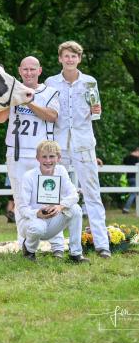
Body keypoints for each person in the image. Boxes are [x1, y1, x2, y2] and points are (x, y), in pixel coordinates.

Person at [45, 41, 111, 258]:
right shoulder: (51, 82)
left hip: (83, 144)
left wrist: (96, 110)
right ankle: (57, 246)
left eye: (74, 56)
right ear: (60, 58)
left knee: (92, 193)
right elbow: (48, 114)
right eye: (66, 56)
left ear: (79, 59)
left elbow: (95, 114)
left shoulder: (90, 82)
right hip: (59, 145)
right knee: (54, 193)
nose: (70, 59)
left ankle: (102, 245)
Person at [0, 56, 65, 258]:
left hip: (43, 155)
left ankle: (57, 245)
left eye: (32, 69)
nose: (28, 73)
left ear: (39, 71)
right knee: (20, 200)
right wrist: (12, 99)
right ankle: (25, 244)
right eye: (25, 69)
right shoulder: (13, 93)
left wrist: (29, 100)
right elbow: (0, 119)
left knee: (49, 196)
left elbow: (52, 116)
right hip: (17, 152)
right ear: (19, 71)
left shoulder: (50, 92)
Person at [18, 141, 89, 263]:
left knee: (75, 209)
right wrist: (37, 213)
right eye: (44, 157)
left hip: (53, 221)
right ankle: (29, 250)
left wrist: (60, 206)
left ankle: (75, 254)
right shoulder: (29, 176)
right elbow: (22, 208)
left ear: (58, 158)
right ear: (37, 158)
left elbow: (74, 194)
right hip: (32, 222)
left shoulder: (61, 171)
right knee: (38, 227)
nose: (48, 161)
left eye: (51, 156)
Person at [122, 147, 139, 214]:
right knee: (133, 193)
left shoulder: (127, 157)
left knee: (133, 193)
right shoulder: (137, 158)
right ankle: (126, 209)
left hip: (129, 177)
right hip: (136, 178)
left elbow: (123, 164)